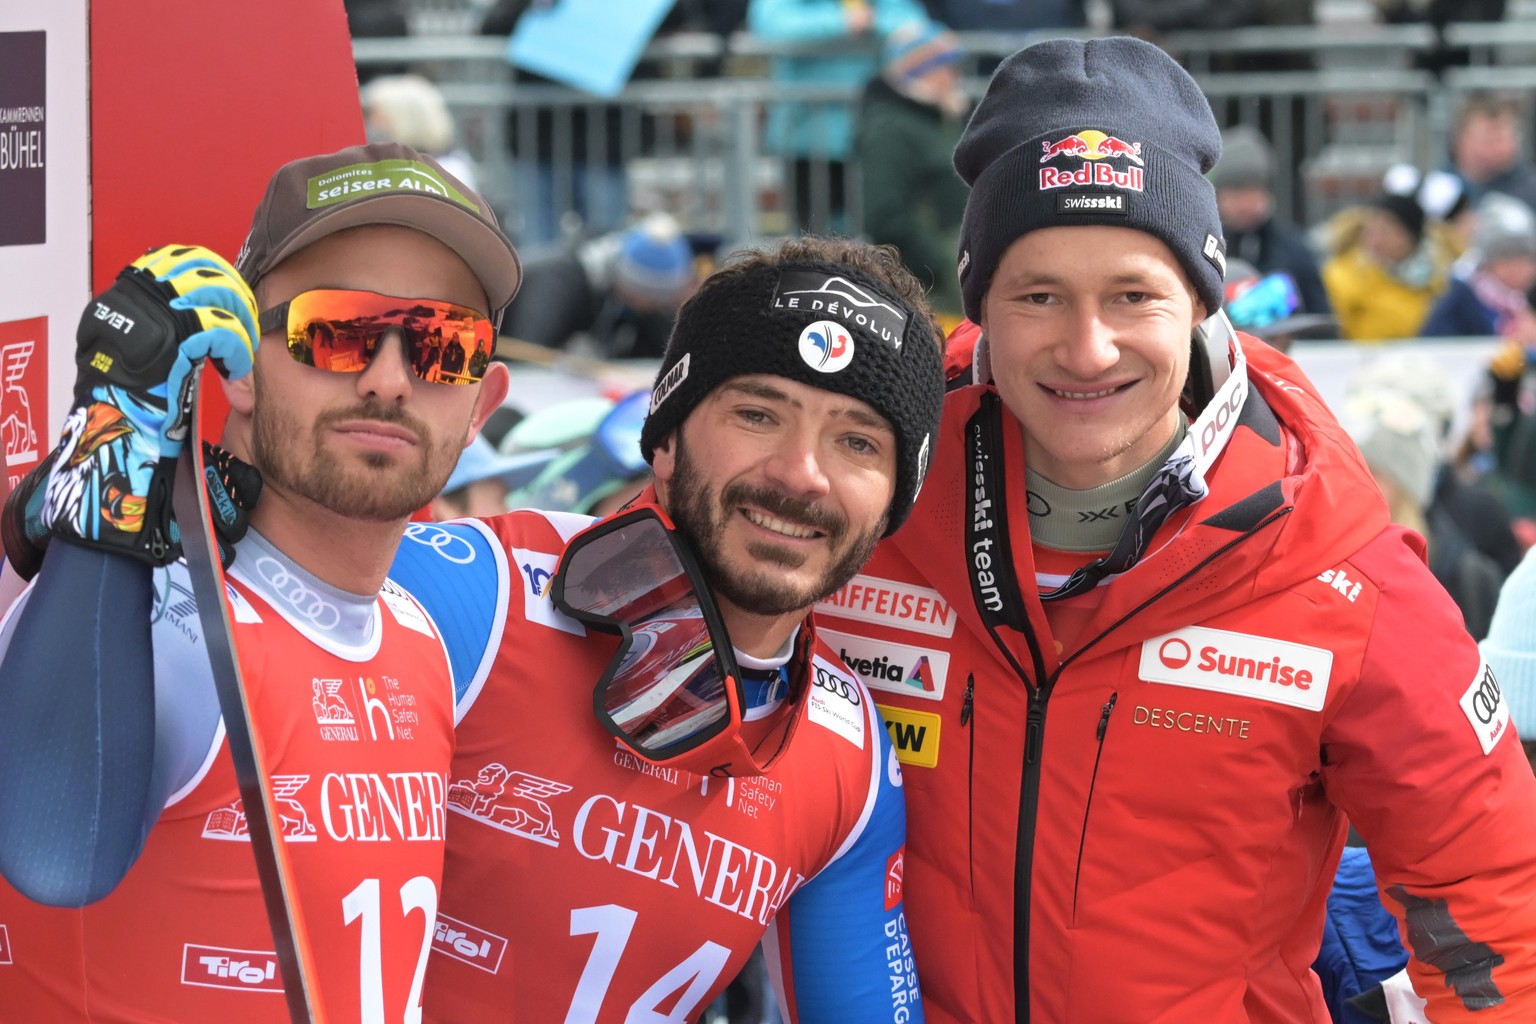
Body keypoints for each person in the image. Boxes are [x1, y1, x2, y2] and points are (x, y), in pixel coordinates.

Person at [822, 36, 1536, 1022]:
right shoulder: (862, 481)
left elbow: (1490, 892)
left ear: (1202, 304)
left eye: (1133, 295)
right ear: (977, 301)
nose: (1087, 347)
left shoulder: (1332, 558)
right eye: (1037, 296)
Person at [0, 141, 519, 1020]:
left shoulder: (418, 635)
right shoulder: (160, 618)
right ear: (238, 370)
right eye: (338, 331)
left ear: (482, 406)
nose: (390, 380)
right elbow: (57, 853)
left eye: (442, 345)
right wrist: (115, 445)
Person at [397, 234, 944, 1020]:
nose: (801, 474)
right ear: (665, 440)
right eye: (758, 414)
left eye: (857, 441)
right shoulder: (474, 590)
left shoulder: (848, 756)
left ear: (895, 500)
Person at [746, 0, 928, 234]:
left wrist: (871, 21)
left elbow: (916, 26)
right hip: (806, 139)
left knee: (872, 242)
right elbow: (770, 26)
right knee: (811, 242)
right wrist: (843, 22)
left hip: (870, 139)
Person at [854, 18, 971, 320]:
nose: (954, 75)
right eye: (945, 64)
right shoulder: (889, 129)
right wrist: (942, 269)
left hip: (955, 274)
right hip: (933, 291)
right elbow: (886, 216)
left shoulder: (938, 120)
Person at [1210, 124, 1331, 318]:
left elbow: (1319, 317)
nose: (1245, 203)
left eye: (1253, 190)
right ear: (1218, 195)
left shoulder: (1294, 251)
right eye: (1236, 192)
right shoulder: (1205, 246)